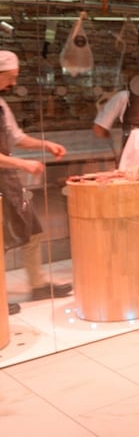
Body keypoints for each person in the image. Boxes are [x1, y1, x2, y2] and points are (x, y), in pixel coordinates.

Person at [0, 50, 72, 316]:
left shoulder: (1, 104)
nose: (13, 83)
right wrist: (22, 164)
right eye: (10, 77)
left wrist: (45, 144)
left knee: (33, 231)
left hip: (7, 177)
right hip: (6, 173)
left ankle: (38, 284)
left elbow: (16, 137)